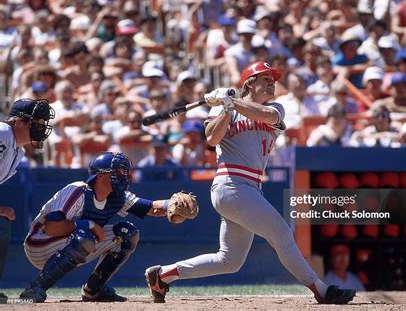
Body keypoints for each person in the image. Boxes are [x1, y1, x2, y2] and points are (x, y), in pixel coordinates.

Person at [144, 61, 356, 304]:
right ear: (249, 83)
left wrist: (232, 102)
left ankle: (163, 275)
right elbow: (212, 138)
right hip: (231, 184)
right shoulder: (224, 108)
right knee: (282, 233)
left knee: (229, 261)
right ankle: (321, 290)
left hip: (248, 188)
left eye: (273, 79)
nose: (272, 83)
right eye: (265, 78)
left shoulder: (276, 108)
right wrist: (225, 108)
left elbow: (266, 115)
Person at [19, 152, 198, 303]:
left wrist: (171, 204)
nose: (124, 175)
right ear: (101, 175)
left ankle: (93, 290)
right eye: (118, 171)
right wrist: (88, 224)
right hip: (39, 244)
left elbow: (151, 207)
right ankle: (34, 288)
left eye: (124, 171)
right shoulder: (78, 191)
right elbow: (51, 228)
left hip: (70, 243)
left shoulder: (118, 196)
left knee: (127, 233)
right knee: (85, 236)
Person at [0, 98, 55, 300]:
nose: (41, 127)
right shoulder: (3, 133)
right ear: (19, 122)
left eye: (43, 123)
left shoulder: (18, 151)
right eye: (37, 122)